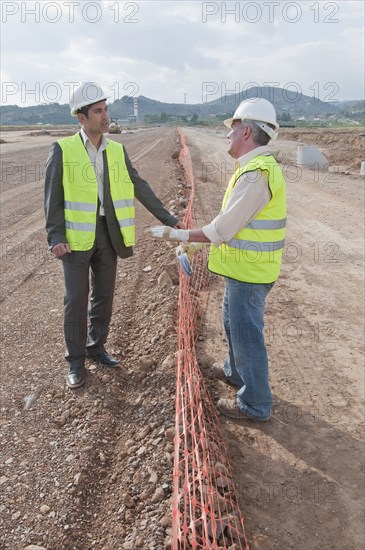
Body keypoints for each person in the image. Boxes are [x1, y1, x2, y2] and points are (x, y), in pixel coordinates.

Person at [145, 98, 286, 422]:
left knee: (247, 337)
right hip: (240, 271)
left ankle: (255, 404)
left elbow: (221, 229)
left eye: (232, 128)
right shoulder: (249, 169)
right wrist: (194, 246)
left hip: (250, 275)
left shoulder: (256, 175)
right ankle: (234, 372)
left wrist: (179, 236)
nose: (227, 135)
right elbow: (230, 223)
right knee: (232, 326)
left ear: (247, 131)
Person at [44, 81, 184, 389]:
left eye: (106, 109)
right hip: (76, 239)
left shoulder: (117, 150)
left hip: (110, 234)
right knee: (76, 300)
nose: (105, 116)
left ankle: (96, 347)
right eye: (98, 111)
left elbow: (139, 186)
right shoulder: (63, 149)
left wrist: (170, 219)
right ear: (81, 118)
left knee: (104, 297)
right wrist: (55, 236)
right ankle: (76, 362)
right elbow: (53, 196)